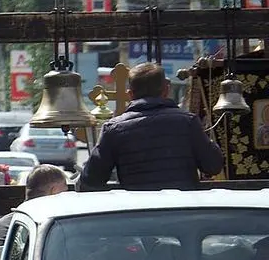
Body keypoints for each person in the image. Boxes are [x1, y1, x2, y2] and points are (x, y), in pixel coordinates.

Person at [80, 61, 224, 190]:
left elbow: (91, 180)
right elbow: (213, 166)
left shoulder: (114, 128)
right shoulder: (188, 122)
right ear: (166, 90)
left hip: (138, 212)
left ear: (130, 94)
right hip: (182, 210)